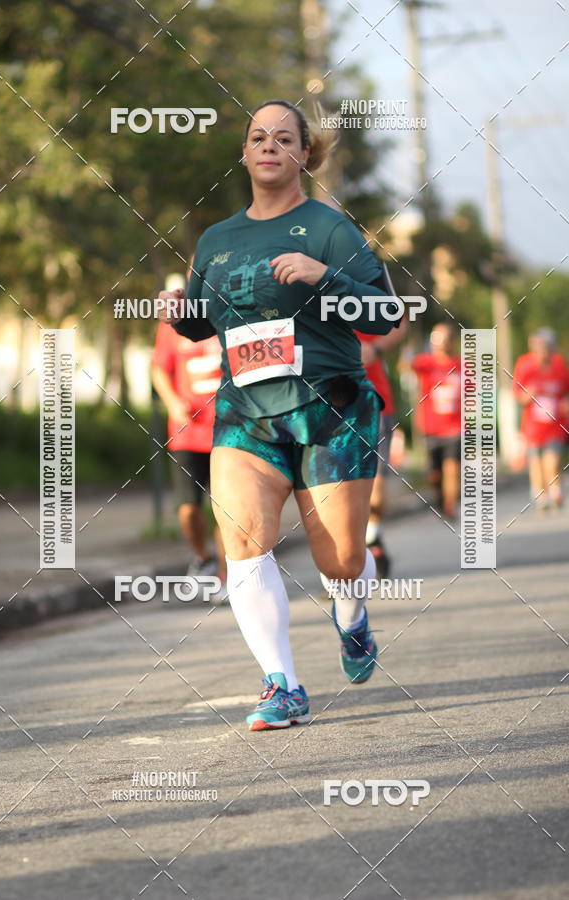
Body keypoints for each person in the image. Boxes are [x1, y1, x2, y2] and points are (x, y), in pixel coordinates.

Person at [158, 99, 401, 731]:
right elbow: (200, 324)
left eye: (284, 137)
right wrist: (176, 311)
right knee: (241, 539)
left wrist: (324, 277)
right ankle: (282, 683)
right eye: (258, 137)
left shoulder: (330, 230)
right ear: (243, 153)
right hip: (247, 413)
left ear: (303, 155)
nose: (269, 145)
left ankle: (351, 616)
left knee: (341, 561)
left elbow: (387, 316)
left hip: (330, 410)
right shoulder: (216, 240)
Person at [151, 320, 227, 590]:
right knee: (187, 509)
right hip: (187, 432)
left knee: (226, 510)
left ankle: (224, 575)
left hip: (228, 430)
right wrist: (172, 403)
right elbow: (159, 369)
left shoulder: (227, 309)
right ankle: (204, 557)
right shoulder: (174, 320)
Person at [356, 317, 408, 577]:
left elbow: (400, 322)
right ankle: (347, 559)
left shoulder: (362, 280)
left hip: (373, 404)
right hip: (327, 407)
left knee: (374, 487)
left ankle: (371, 539)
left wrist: (375, 349)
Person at [513, 328, 569, 510]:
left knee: (551, 460)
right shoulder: (525, 365)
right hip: (532, 426)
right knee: (536, 463)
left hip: (555, 424)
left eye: (547, 348)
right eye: (540, 348)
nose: (544, 352)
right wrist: (527, 395)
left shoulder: (559, 365)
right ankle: (542, 495)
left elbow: (566, 392)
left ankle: (555, 490)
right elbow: (517, 395)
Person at [410, 324, 462, 519]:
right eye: (438, 340)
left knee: (452, 468)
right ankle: (440, 498)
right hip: (431, 426)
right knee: (434, 474)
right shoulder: (425, 363)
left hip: (455, 426)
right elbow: (405, 365)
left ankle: (450, 506)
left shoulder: (462, 365)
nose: (442, 344)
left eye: (446, 339)